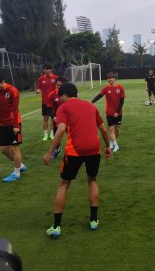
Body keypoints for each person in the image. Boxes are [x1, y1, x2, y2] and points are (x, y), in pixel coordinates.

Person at [43, 82, 112, 239]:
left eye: (60, 97)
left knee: (64, 184)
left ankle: (56, 226)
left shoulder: (64, 107)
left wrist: (49, 152)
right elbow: (102, 128)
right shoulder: (90, 106)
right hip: (94, 149)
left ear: (64, 95)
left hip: (75, 151)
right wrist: (108, 146)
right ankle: (94, 220)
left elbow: (60, 130)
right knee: (92, 180)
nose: (59, 99)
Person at [0, 73, 27, 183]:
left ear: (3, 81)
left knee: (14, 148)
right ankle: (21, 166)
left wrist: (16, 126)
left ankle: (16, 173)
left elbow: (15, 109)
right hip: (4, 124)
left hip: (15, 123)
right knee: (4, 149)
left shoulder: (13, 91)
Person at [91, 72, 125, 152]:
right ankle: (116, 145)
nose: (109, 79)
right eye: (108, 78)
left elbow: (122, 101)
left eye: (111, 78)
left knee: (117, 129)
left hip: (118, 113)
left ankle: (112, 141)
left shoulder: (120, 88)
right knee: (111, 129)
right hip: (109, 112)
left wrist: (117, 111)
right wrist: (91, 102)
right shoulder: (106, 88)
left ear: (115, 78)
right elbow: (99, 96)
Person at [36, 63, 59, 140]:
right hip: (45, 102)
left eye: (49, 69)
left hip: (54, 102)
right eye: (46, 69)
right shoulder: (40, 79)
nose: (48, 70)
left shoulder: (55, 78)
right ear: (43, 70)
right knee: (45, 118)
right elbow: (38, 88)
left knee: (53, 119)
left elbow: (59, 87)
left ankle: (52, 134)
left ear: (51, 70)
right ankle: (45, 135)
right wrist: (38, 91)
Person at [47, 75, 67, 158]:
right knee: (57, 136)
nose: (58, 87)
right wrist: (53, 117)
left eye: (60, 85)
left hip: (69, 119)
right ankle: (57, 149)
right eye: (57, 85)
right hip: (58, 120)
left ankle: (74, 150)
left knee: (72, 135)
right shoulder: (52, 94)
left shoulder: (69, 93)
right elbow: (48, 108)